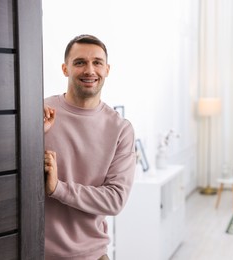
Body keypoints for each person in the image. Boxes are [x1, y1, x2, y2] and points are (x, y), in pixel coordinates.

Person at [43, 34, 136, 260]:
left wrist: (59, 188)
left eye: (97, 62)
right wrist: (35, 135)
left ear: (107, 69)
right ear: (65, 69)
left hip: (91, 255)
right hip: (37, 252)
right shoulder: (40, 113)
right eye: (80, 62)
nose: (89, 70)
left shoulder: (120, 129)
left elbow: (115, 200)